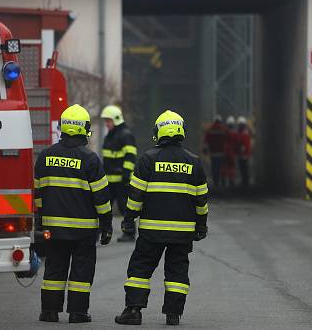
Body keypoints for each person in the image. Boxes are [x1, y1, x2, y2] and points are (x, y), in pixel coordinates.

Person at [114, 110, 209, 326]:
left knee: (140, 268)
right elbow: (201, 202)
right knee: (177, 271)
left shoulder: (148, 159)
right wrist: (201, 226)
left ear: (159, 132)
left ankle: (133, 311)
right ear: (181, 131)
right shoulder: (194, 162)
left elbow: (136, 195)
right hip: (182, 233)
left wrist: (129, 220)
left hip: (151, 231)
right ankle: (173, 315)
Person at [34, 104, 113, 324]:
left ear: (63, 127)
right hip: (84, 230)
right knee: (82, 271)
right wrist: (106, 225)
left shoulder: (45, 156)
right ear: (84, 129)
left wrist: (40, 220)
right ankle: (78, 313)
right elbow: (102, 198)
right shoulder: (90, 159)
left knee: (54, 268)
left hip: (53, 228)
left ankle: (49, 311)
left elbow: (38, 192)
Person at [100, 105, 138, 242]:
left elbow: (131, 156)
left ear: (116, 119)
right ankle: (99, 233)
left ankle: (129, 233)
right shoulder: (110, 136)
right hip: (109, 181)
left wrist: (126, 174)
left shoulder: (125, 135)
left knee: (125, 208)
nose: (106, 124)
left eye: (108, 121)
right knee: (103, 208)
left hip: (122, 180)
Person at [203, 115, 226, 186]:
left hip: (213, 152)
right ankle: (222, 181)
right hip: (222, 152)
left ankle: (216, 182)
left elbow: (205, 140)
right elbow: (227, 140)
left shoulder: (210, 129)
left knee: (214, 167)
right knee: (221, 167)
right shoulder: (223, 129)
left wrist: (205, 149)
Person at [221, 116, 238, 187]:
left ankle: (223, 180)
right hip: (231, 152)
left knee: (224, 166)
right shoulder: (235, 133)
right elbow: (237, 143)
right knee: (232, 166)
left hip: (224, 151)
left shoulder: (224, 132)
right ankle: (231, 180)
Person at [236, 116, 252, 187]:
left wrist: (241, 150)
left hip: (243, 154)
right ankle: (245, 181)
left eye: (240, 125)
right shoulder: (243, 132)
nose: (239, 126)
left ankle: (245, 181)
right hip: (244, 154)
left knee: (244, 168)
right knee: (243, 168)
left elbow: (244, 144)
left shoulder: (243, 133)